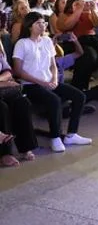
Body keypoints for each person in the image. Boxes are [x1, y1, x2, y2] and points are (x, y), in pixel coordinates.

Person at [12, 12, 92, 152]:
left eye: (44, 23)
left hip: (48, 81)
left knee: (79, 96)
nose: (43, 26)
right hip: (30, 85)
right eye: (39, 23)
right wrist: (42, 82)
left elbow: (53, 64)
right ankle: (55, 137)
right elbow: (18, 71)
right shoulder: (22, 43)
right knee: (54, 100)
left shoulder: (47, 41)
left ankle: (71, 134)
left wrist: (54, 79)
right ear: (30, 26)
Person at [0, 43, 37, 165]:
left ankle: (25, 147)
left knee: (22, 103)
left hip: (3, 87)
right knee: (2, 107)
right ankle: (5, 153)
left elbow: (8, 72)